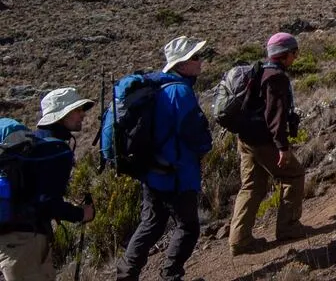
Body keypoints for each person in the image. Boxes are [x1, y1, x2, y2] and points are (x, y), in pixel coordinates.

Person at [116, 37, 214, 281]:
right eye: (195, 57)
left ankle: (126, 275)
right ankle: (171, 275)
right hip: (177, 173)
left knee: (150, 224)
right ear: (180, 65)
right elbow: (194, 133)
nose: (200, 61)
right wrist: (205, 147)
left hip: (150, 171)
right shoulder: (180, 91)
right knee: (188, 227)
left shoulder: (155, 88)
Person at [229, 33, 310, 255]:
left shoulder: (260, 71)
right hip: (263, 141)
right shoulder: (276, 77)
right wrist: (282, 147)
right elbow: (275, 115)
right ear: (285, 55)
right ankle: (289, 227)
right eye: (294, 53)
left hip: (245, 138)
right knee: (294, 175)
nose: (296, 57)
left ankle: (239, 240)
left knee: (252, 186)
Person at [0, 89, 95, 281]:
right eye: (77, 110)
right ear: (61, 116)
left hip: (11, 239)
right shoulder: (56, 150)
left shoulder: (34, 142)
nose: (83, 114)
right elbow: (47, 203)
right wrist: (81, 214)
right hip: (25, 243)